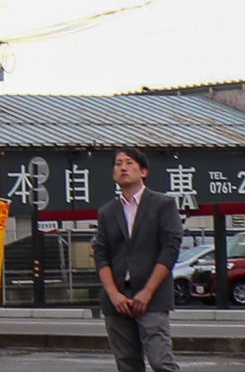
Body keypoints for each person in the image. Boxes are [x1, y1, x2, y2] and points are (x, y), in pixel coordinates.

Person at [93, 146, 183, 372]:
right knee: (127, 365)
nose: (123, 167)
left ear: (144, 171)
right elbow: (101, 254)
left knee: (160, 362)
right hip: (117, 300)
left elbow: (170, 249)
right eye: (118, 163)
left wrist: (148, 291)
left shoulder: (162, 204)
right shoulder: (107, 212)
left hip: (152, 297)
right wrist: (114, 294)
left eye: (129, 163)